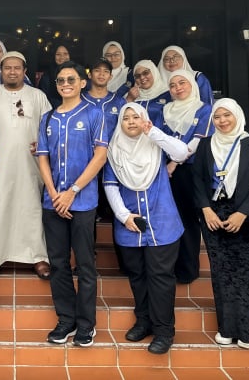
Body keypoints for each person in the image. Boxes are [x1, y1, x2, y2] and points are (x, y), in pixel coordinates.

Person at [103, 103, 187, 354]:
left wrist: (153, 132)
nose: (131, 121)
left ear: (145, 119)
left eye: (136, 117)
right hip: (130, 224)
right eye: (126, 118)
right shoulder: (114, 149)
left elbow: (181, 152)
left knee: (160, 278)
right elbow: (110, 185)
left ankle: (164, 331)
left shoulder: (155, 144)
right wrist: (123, 216)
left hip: (162, 223)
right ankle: (144, 322)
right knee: (137, 276)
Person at [36, 61, 108, 348]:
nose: (65, 84)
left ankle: (86, 324)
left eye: (71, 79)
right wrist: (55, 193)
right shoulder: (47, 118)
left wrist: (72, 191)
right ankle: (66, 319)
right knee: (58, 263)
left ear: (82, 83)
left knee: (85, 264)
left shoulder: (94, 114)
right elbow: (42, 157)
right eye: (61, 80)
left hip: (83, 202)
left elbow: (100, 156)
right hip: (53, 202)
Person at [193, 98, 249, 350]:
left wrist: (242, 213)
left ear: (237, 115)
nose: (222, 121)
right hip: (213, 217)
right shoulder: (206, 145)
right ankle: (225, 330)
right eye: (217, 117)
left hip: (244, 217)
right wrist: (206, 210)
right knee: (221, 273)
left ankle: (246, 332)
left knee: (245, 274)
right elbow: (197, 180)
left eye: (227, 115)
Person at [0, 51, 52, 279]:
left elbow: (50, 128)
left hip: (30, 165)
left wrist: (44, 145)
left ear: (24, 71)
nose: (12, 71)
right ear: (1, 71)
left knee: (31, 208)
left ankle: (37, 256)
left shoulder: (38, 96)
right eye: (7, 67)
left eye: (17, 67)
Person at [161, 70, 214, 284]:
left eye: (182, 83)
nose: (178, 88)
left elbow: (198, 141)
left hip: (189, 170)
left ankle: (187, 269)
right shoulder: (166, 110)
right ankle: (170, 267)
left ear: (192, 84)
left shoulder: (204, 109)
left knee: (188, 219)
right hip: (165, 171)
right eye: (173, 85)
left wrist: (175, 162)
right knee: (169, 218)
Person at [82, 57, 127, 270]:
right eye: (97, 70)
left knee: (118, 206)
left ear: (111, 76)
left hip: (113, 163)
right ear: (90, 74)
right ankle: (87, 258)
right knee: (87, 211)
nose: (101, 74)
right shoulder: (80, 99)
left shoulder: (119, 102)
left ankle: (124, 259)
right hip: (85, 163)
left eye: (105, 71)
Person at [126, 60, 171, 128]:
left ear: (154, 72)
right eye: (137, 76)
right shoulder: (131, 95)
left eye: (145, 73)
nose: (142, 77)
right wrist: (129, 100)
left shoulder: (169, 94)